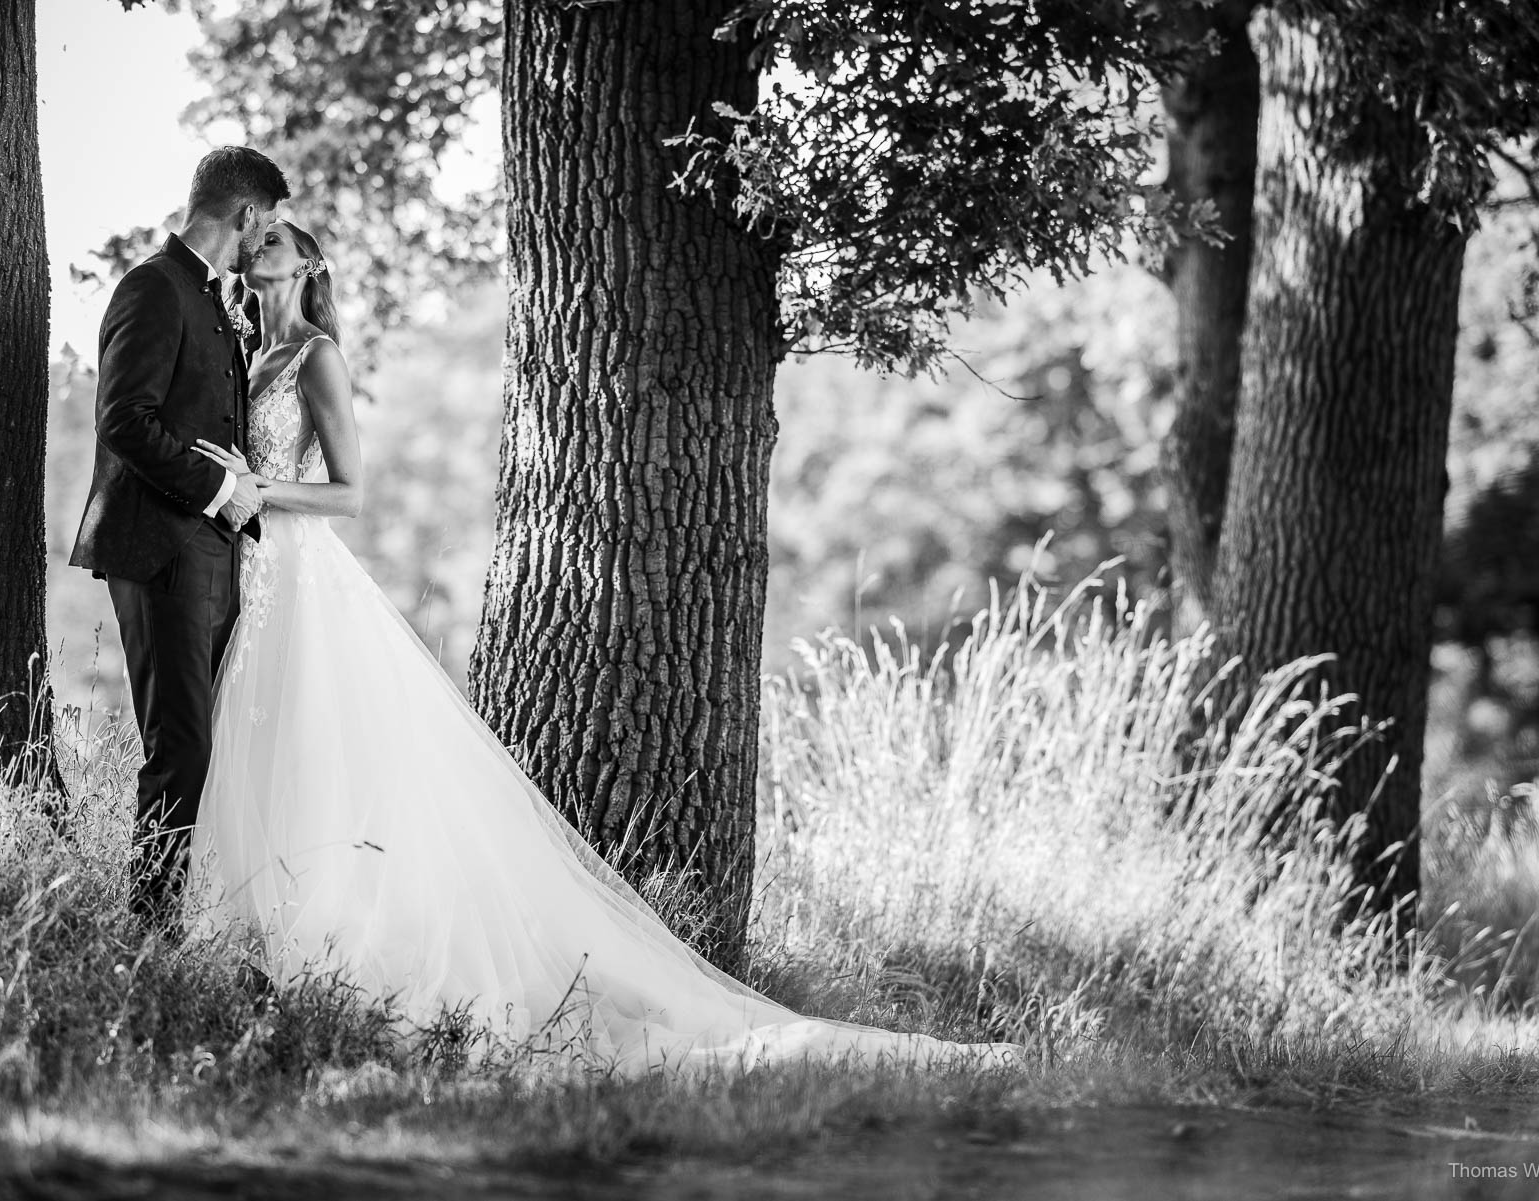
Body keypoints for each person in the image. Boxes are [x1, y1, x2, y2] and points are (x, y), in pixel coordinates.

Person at [186, 220, 1021, 1076]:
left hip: (304, 572)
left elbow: (352, 492)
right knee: (268, 752)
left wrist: (259, 487)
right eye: (253, 241)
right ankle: (263, 949)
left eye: (276, 241)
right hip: (257, 573)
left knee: (323, 754)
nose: (257, 250)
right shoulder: (248, 354)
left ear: (309, 263)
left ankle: (338, 951)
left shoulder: (319, 355)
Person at [69, 147, 290, 934]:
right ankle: (148, 931)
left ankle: (187, 920)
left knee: (206, 745)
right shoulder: (153, 287)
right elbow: (124, 420)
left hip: (213, 553)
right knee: (182, 747)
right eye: (261, 228)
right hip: (158, 548)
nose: (260, 244)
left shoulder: (216, 297)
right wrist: (222, 491)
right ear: (247, 214)